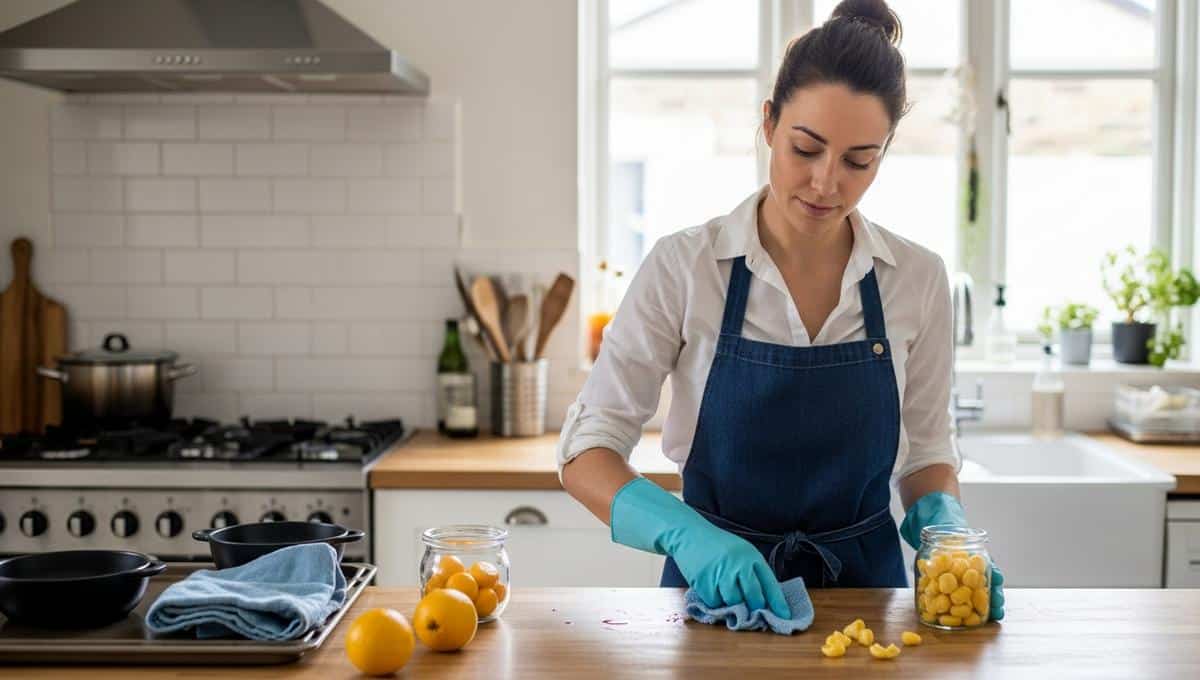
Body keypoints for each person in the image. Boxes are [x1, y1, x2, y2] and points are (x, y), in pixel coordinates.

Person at [557, 0, 1006, 622]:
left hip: (869, 601)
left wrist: (947, 534)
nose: (827, 183)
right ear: (768, 123)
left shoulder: (917, 279)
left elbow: (926, 452)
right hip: (713, 601)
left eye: (858, 160)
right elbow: (587, 451)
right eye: (806, 148)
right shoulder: (684, 267)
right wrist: (687, 536)